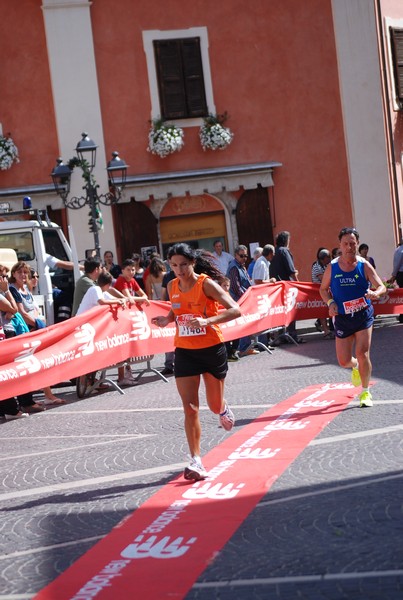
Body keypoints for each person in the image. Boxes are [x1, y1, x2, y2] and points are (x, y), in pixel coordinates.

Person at [151, 242, 241, 482]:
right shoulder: (171, 285)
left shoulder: (206, 284)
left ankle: (222, 408)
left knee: (212, 405)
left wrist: (207, 322)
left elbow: (235, 310)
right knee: (190, 409)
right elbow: (176, 310)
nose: (179, 270)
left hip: (211, 350)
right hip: (185, 351)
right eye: (173, 265)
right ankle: (196, 461)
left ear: (192, 263)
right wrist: (166, 319)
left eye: (183, 265)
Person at [320, 227, 386, 408]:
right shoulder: (332, 267)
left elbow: (381, 286)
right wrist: (330, 303)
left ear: (357, 244)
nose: (349, 247)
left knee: (363, 353)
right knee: (344, 361)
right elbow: (323, 289)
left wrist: (375, 293)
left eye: (352, 243)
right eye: (345, 244)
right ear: (340, 245)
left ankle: (365, 393)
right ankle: (355, 366)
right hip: (342, 317)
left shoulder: (363, 265)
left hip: (363, 315)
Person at [270, 231, 305, 344]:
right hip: (286, 285)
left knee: (280, 311)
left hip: (276, 286)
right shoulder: (284, 251)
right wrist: (298, 283)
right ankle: (292, 335)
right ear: (286, 240)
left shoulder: (274, 251)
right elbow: (291, 271)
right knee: (290, 310)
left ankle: (281, 336)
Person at [226, 245, 259, 357]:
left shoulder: (241, 266)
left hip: (243, 299)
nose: (244, 258)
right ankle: (244, 348)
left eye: (245, 255)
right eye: (241, 256)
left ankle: (246, 347)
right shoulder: (234, 267)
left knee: (246, 322)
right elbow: (236, 287)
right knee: (243, 323)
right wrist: (247, 296)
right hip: (238, 300)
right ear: (235, 255)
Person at [311, 248, 334, 338]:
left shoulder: (325, 265)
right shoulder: (317, 267)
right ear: (323, 258)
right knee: (321, 311)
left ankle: (326, 328)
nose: (330, 259)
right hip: (319, 291)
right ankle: (326, 331)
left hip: (325, 290)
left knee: (326, 310)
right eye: (328, 257)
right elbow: (324, 279)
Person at [387, 239, 403, 323]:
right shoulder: (400, 250)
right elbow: (397, 264)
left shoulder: (399, 250)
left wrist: (393, 276)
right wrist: (394, 275)